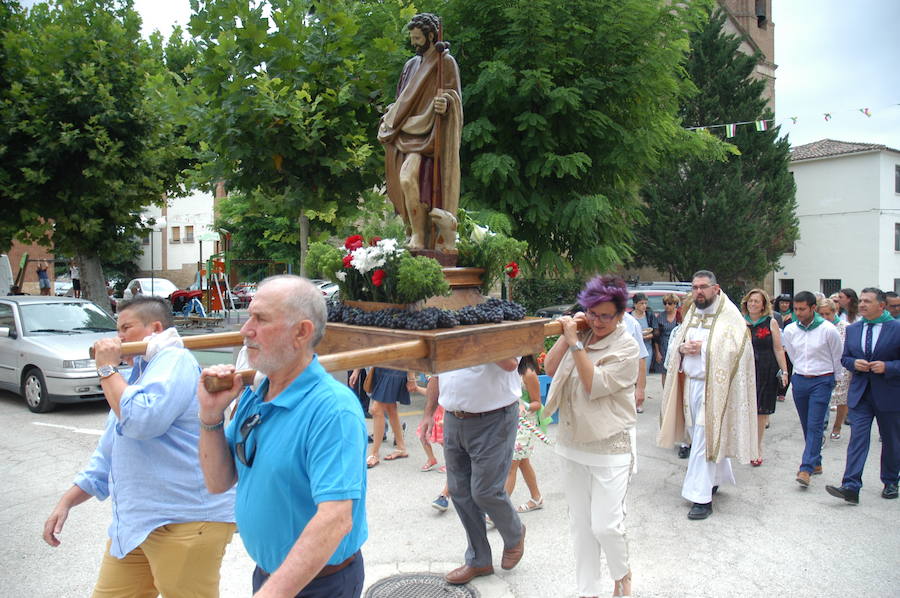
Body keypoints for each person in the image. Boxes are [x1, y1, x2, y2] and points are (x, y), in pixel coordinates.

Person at [42, 296, 235, 597]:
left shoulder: (174, 360)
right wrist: (66, 502)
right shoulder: (137, 374)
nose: (118, 338)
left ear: (155, 328)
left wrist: (107, 370)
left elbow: (143, 421)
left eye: (126, 329)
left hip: (184, 520)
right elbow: (110, 452)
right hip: (136, 523)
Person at [197, 276, 368, 597]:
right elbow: (218, 482)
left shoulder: (332, 409)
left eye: (260, 319)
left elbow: (335, 519)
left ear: (301, 332)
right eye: (249, 316)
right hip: (272, 578)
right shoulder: (256, 393)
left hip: (318, 585)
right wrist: (210, 417)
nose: (245, 330)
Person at [543, 275, 640, 598]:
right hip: (572, 444)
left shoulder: (626, 346)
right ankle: (588, 590)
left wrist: (575, 343)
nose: (598, 322)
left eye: (606, 316)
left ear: (621, 315)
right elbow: (551, 369)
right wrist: (567, 333)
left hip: (609, 446)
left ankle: (621, 574)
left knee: (606, 526)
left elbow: (594, 384)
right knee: (581, 528)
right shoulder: (582, 334)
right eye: (592, 313)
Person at [658, 270, 758, 520]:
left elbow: (739, 349)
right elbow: (678, 342)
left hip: (714, 387)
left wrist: (704, 350)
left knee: (704, 438)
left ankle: (700, 497)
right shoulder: (692, 312)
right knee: (698, 434)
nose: (698, 292)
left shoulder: (730, 314)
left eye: (703, 287)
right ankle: (715, 478)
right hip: (690, 384)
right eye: (695, 288)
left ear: (716, 288)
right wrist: (682, 348)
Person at [418, 360, 526, 585]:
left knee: (485, 491)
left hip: (494, 419)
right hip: (453, 418)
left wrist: (476, 338)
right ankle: (479, 560)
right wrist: (428, 413)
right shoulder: (448, 328)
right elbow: (437, 375)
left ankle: (514, 533)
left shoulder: (502, 324)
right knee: (459, 491)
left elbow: (509, 364)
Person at [378, 12, 462, 252]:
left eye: (417, 38)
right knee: (404, 183)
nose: (413, 43)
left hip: (429, 135)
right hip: (406, 132)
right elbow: (401, 100)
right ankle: (414, 232)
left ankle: (420, 235)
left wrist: (446, 102)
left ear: (432, 36)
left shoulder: (445, 62)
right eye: (412, 37)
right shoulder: (410, 65)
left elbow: (454, 96)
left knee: (408, 178)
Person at [826, 287, 900, 504]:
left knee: (891, 440)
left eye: (868, 301)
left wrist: (888, 367)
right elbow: (845, 358)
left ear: (882, 306)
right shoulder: (854, 329)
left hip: (889, 393)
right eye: (862, 301)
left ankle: (890, 480)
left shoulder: (896, 328)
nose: (863, 305)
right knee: (858, 438)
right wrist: (853, 363)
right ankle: (851, 485)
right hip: (861, 393)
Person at [781, 291, 843, 488]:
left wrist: (835, 380)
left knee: (815, 424)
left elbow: (837, 357)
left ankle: (806, 468)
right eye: (796, 309)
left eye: (802, 309)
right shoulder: (790, 330)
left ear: (813, 308)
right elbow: (792, 354)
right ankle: (816, 462)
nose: (798, 313)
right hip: (800, 380)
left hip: (822, 380)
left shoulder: (827, 330)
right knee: (806, 424)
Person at [741, 289, 789, 466]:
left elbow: (778, 348)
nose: (753, 304)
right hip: (745, 369)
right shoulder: (739, 322)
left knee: (761, 410)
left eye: (757, 301)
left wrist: (784, 371)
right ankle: (744, 443)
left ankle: (757, 446)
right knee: (745, 407)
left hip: (766, 368)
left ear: (763, 305)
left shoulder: (771, 322)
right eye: (750, 301)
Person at [505, 355, 550, 514]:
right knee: (523, 462)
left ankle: (498, 511)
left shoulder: (528, 373)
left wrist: (524, 406)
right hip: (510, 422)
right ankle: (536, 498)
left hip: (526, 424)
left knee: (511, 465)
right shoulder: (507, 368)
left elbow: (537, 403)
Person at [357, 367, 412, 468]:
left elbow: (410, 353)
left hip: (394, 368)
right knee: (391, 408)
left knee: (376, 409)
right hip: (381, 368)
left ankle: (374, 454)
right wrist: (357, 370)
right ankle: (401, 448)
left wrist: (412, 378)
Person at [817, 298, 852, 440]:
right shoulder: (817, 326)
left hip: (842, 367)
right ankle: (820, 427)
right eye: (821, 314)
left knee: (841, 399)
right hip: (822, 366)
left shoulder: (845, 327)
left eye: (827, 314)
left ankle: (837, 426)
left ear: (834, 312)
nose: (825, 318)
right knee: (821, 398)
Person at [621, 310, 649, 412]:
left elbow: (641, 356)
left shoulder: (631, 323)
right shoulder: (592, 318)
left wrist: (640, 389)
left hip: (624, 382)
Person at [630, 292, 659, 376]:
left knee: (643, 374)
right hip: (632, 350)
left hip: (647, 349)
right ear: (635, 304)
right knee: (633, 374)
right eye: (641, 303)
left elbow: (655, 332)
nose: (644, 306)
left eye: (646, 303)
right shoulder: (629, 317)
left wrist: (648, 336)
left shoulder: (649, 315)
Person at [657, 293, 682, 389]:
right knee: (664, 372)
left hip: (676, 345)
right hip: (663, 345)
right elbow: (657, 336)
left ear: (675, 304)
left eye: (670, 303)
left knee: (676, 371)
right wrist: (657, 352)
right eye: (665, 303)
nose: (667, 305)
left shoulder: (680, 314)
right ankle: (666, 394)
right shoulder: (660, 316)